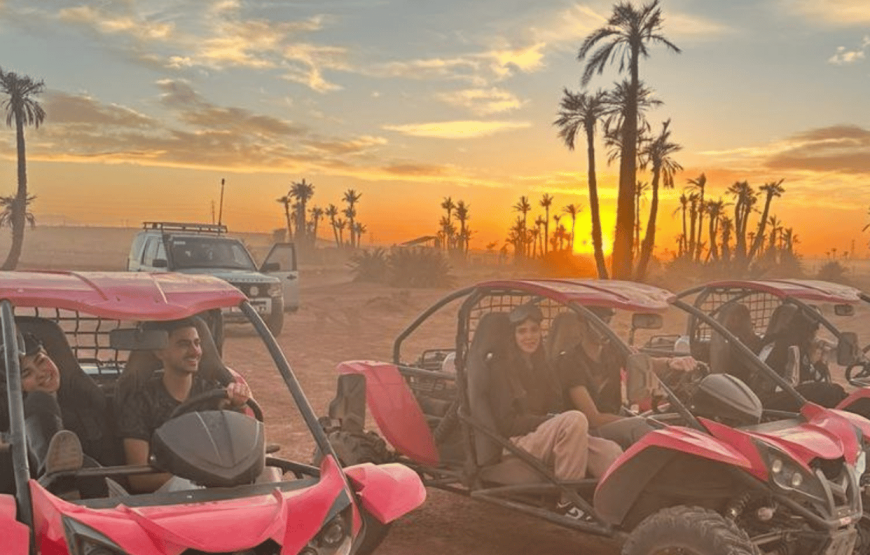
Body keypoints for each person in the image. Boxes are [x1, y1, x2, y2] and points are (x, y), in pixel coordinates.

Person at [487, 303, 622, 519]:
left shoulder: (544, 364)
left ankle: (616, 506)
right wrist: (547, 421)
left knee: (610, 449)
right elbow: (507, 423)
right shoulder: (500, 369)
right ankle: (567, 501)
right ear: (512, 335)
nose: (529, 337)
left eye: (534, 330)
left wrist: (553, 420)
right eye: (522, 331)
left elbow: (556, 405)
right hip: (516, 441)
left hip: (543, 435)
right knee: (575, 419)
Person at [118, 318, 251, 493]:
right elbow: (139, 479)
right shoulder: (140, 401)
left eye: (197, 343)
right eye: (183, 344)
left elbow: (239, 449)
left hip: (217, 491)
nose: (195, 351)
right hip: (170, 501)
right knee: (181, 486)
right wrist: (197, 479)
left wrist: (238, 405)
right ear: (160, 352)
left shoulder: (214, 394)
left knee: (267, 468)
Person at [552, 309, 698, 450]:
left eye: (607, 322)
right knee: (645, 428)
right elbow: (593, 418)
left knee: (670, 417)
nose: (605, 328)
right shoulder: (569, 362)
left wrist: (670, 362)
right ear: (582, 325)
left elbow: (641, 363)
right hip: (589, 430)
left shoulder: (611, 349)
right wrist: (636, 420)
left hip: (616, 416)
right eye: (599, 323)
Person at [0, 329, 120, 478]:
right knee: (38, 400)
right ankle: (56, 476)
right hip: (44, 495)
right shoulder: (14, 426)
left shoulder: (86, 408)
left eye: (42, 361)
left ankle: (61, 478)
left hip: (102, 494)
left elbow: (115, 471)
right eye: (27, 373)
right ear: (15, 384)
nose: (41, 373)